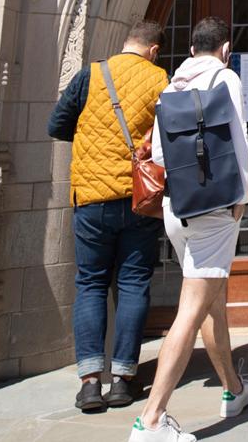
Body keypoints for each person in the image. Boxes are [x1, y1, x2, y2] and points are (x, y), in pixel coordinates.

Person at [131, 17, 248, 442]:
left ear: (191, 50)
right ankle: (151, 420)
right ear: (225, 49)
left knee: (211, 299)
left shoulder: (171, 86)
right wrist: (241, 196)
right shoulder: (226, 79)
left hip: (177, 206)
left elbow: (161, 152)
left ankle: (234, 389)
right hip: (214, 210)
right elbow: (239, 143)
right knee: (191, 309)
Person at [47, 21, 170, 412]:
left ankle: (88, 382)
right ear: (153, 50)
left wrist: (92, 142)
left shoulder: (92, 74)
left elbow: (57, 124)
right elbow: (170, 135)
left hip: (92, 197)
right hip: (138, 197)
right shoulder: (158, 78)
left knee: (91, 283)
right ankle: (122, 379)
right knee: (133, 283)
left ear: (126, 44)